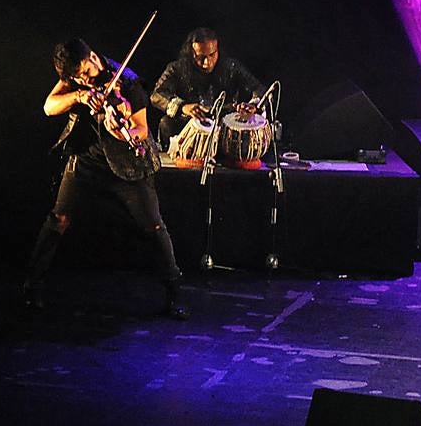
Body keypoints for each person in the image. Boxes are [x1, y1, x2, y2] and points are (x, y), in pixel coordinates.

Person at [23, 39, 186, 318]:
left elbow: (141, 130)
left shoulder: (128, 82)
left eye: (86, 73)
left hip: (127, 164)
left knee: (154, 226)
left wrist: (122, 132)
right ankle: (31, 286)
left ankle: (174, 293)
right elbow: (49, 107)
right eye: (77, 78)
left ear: (93, 59)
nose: (84, 80)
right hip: (87, 160)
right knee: (58, 219)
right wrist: (79, 95)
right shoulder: (75, 78)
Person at [150, 27, 264, 148]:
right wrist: (183, 107)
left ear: (217, 50)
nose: (207, 62)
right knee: (166, 123)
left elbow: (258, 88)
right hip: (188, 124)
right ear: (191, 53)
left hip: (224, 126)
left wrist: (252, 105)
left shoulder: (231, 67)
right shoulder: (177, 68)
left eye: (212, 55)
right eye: (200, 57)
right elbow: (157, 95)